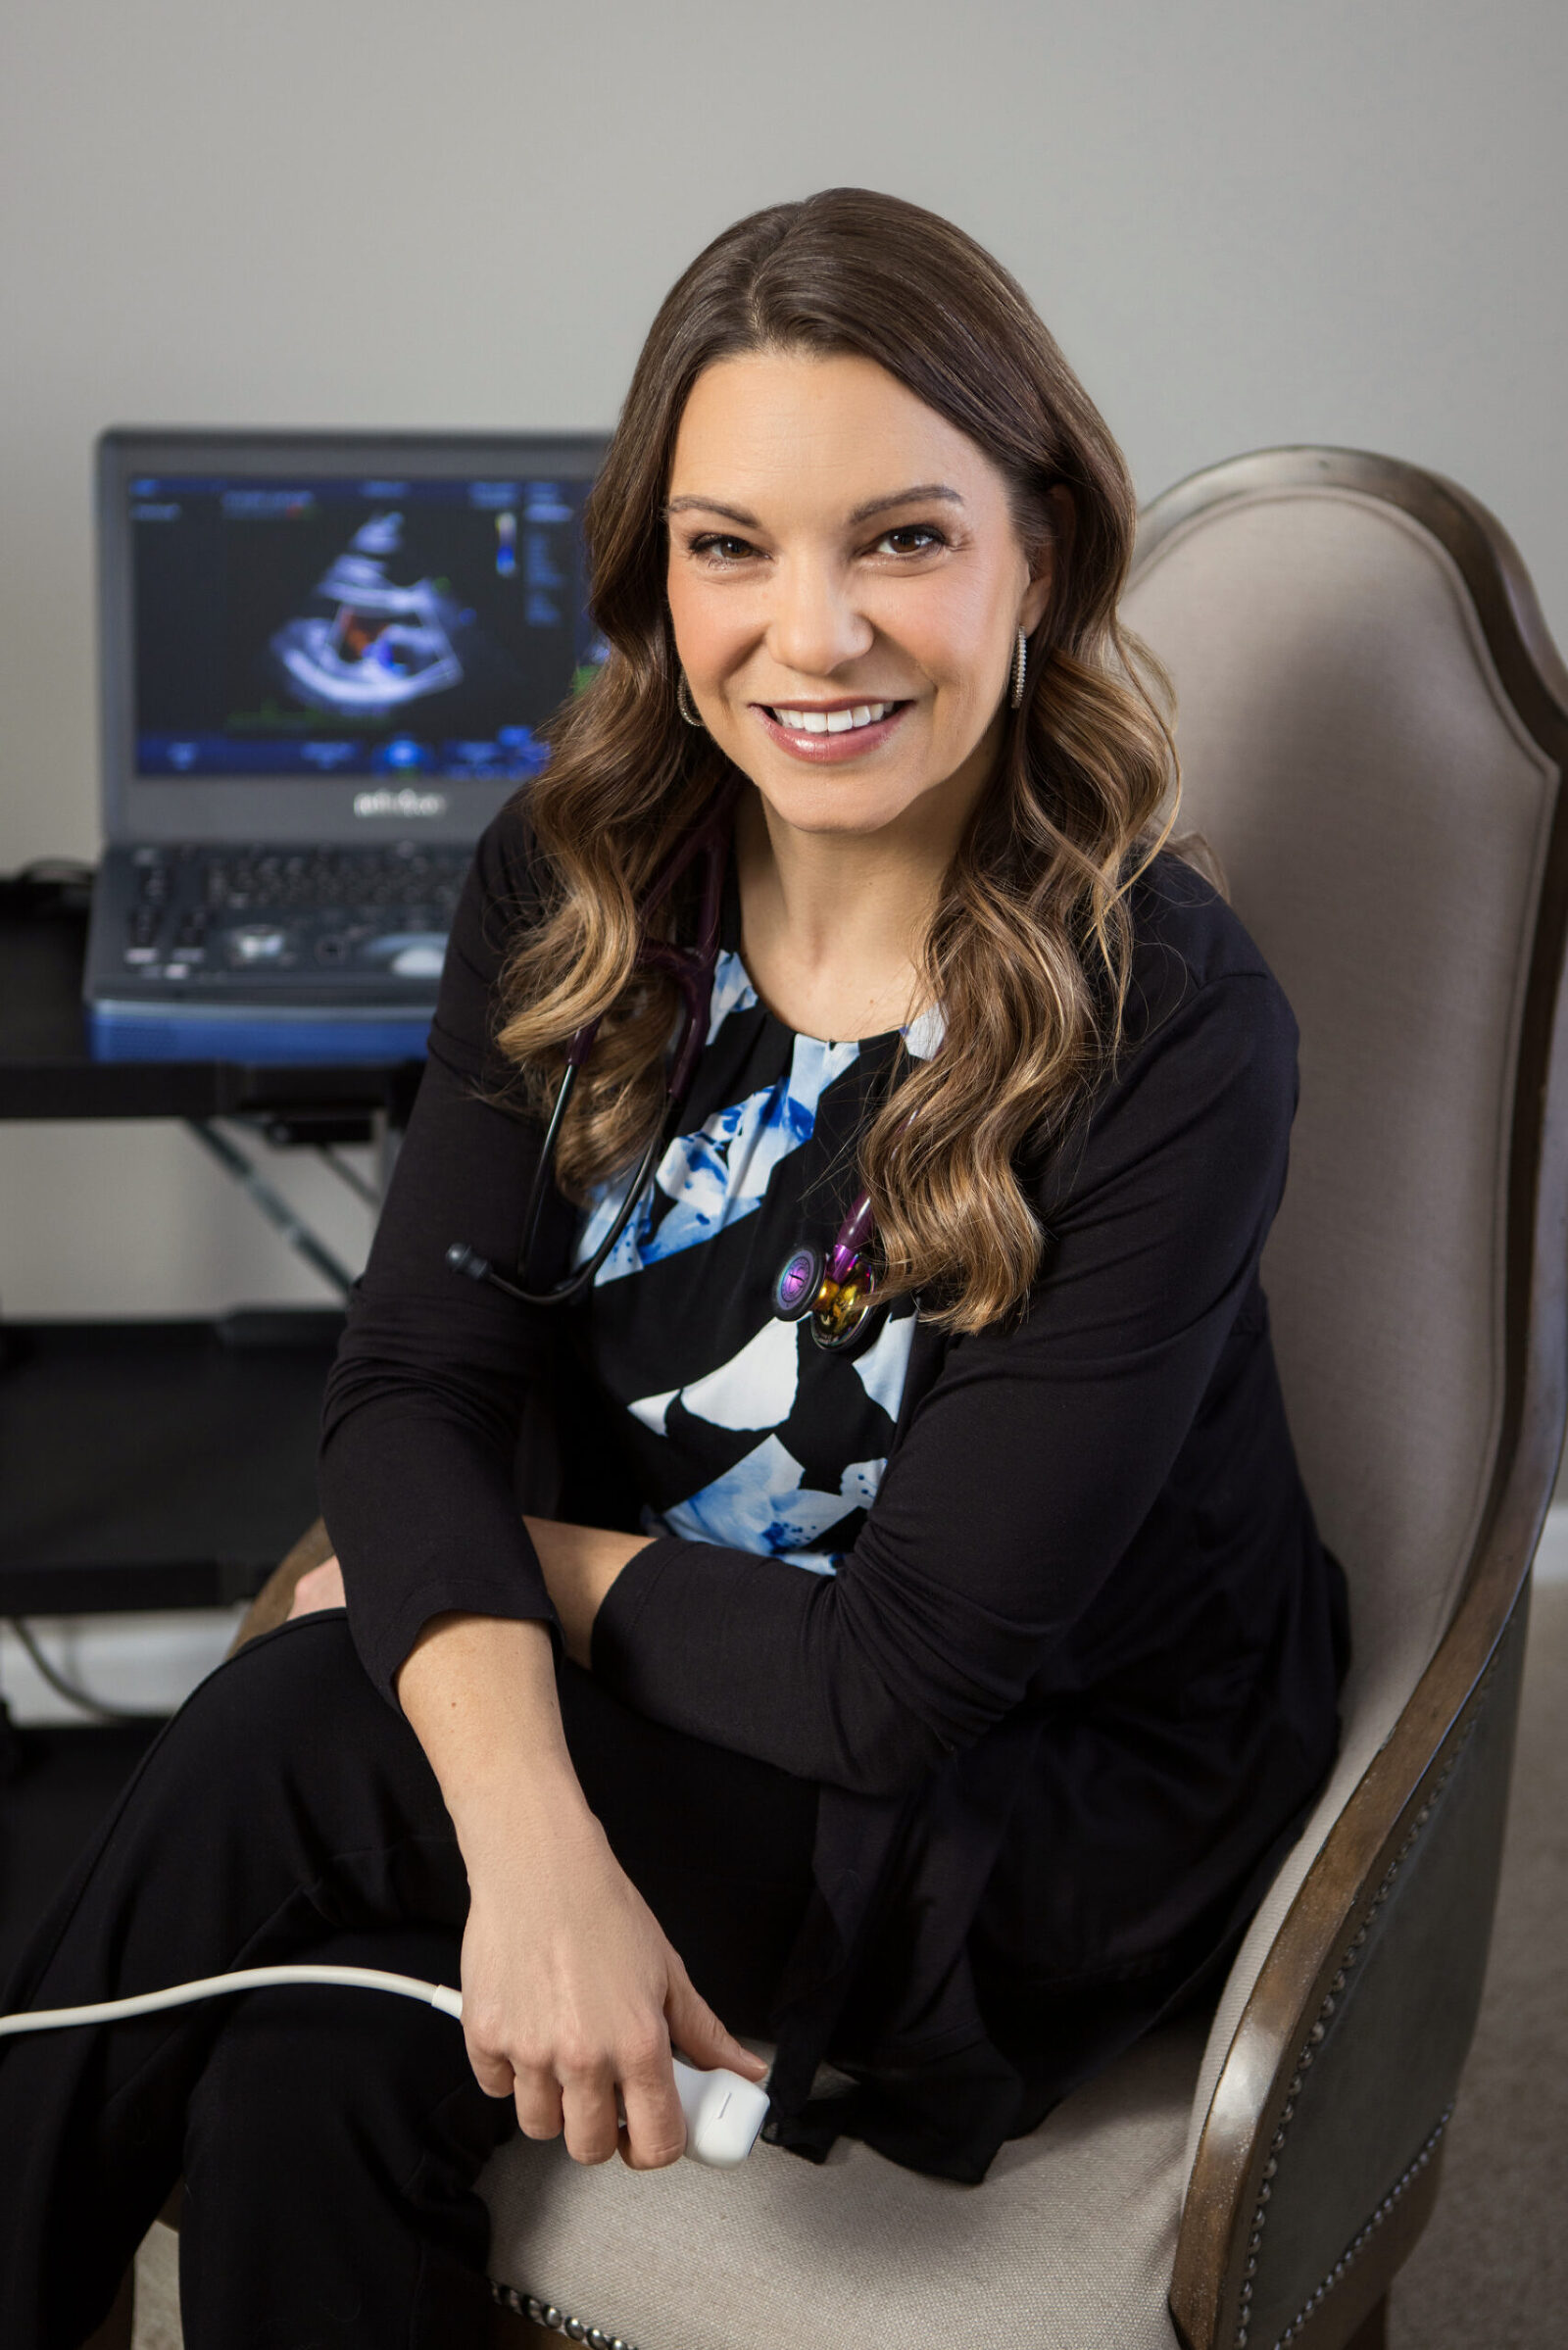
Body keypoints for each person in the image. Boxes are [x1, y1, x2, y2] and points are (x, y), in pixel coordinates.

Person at [0, 187, 1348, 2348]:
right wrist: (530, 1855)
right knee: (298, 2073)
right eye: (730, 545)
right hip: (684, 1682)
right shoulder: (573, 871)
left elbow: (894, 1678)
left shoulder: (1165, 1020)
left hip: (1029, 1794)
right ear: (649, 573)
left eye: (898, 538)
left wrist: (496, 1573)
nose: (806, 637)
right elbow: (409, 1387)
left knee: (284, 1733)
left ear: (1038, 550)